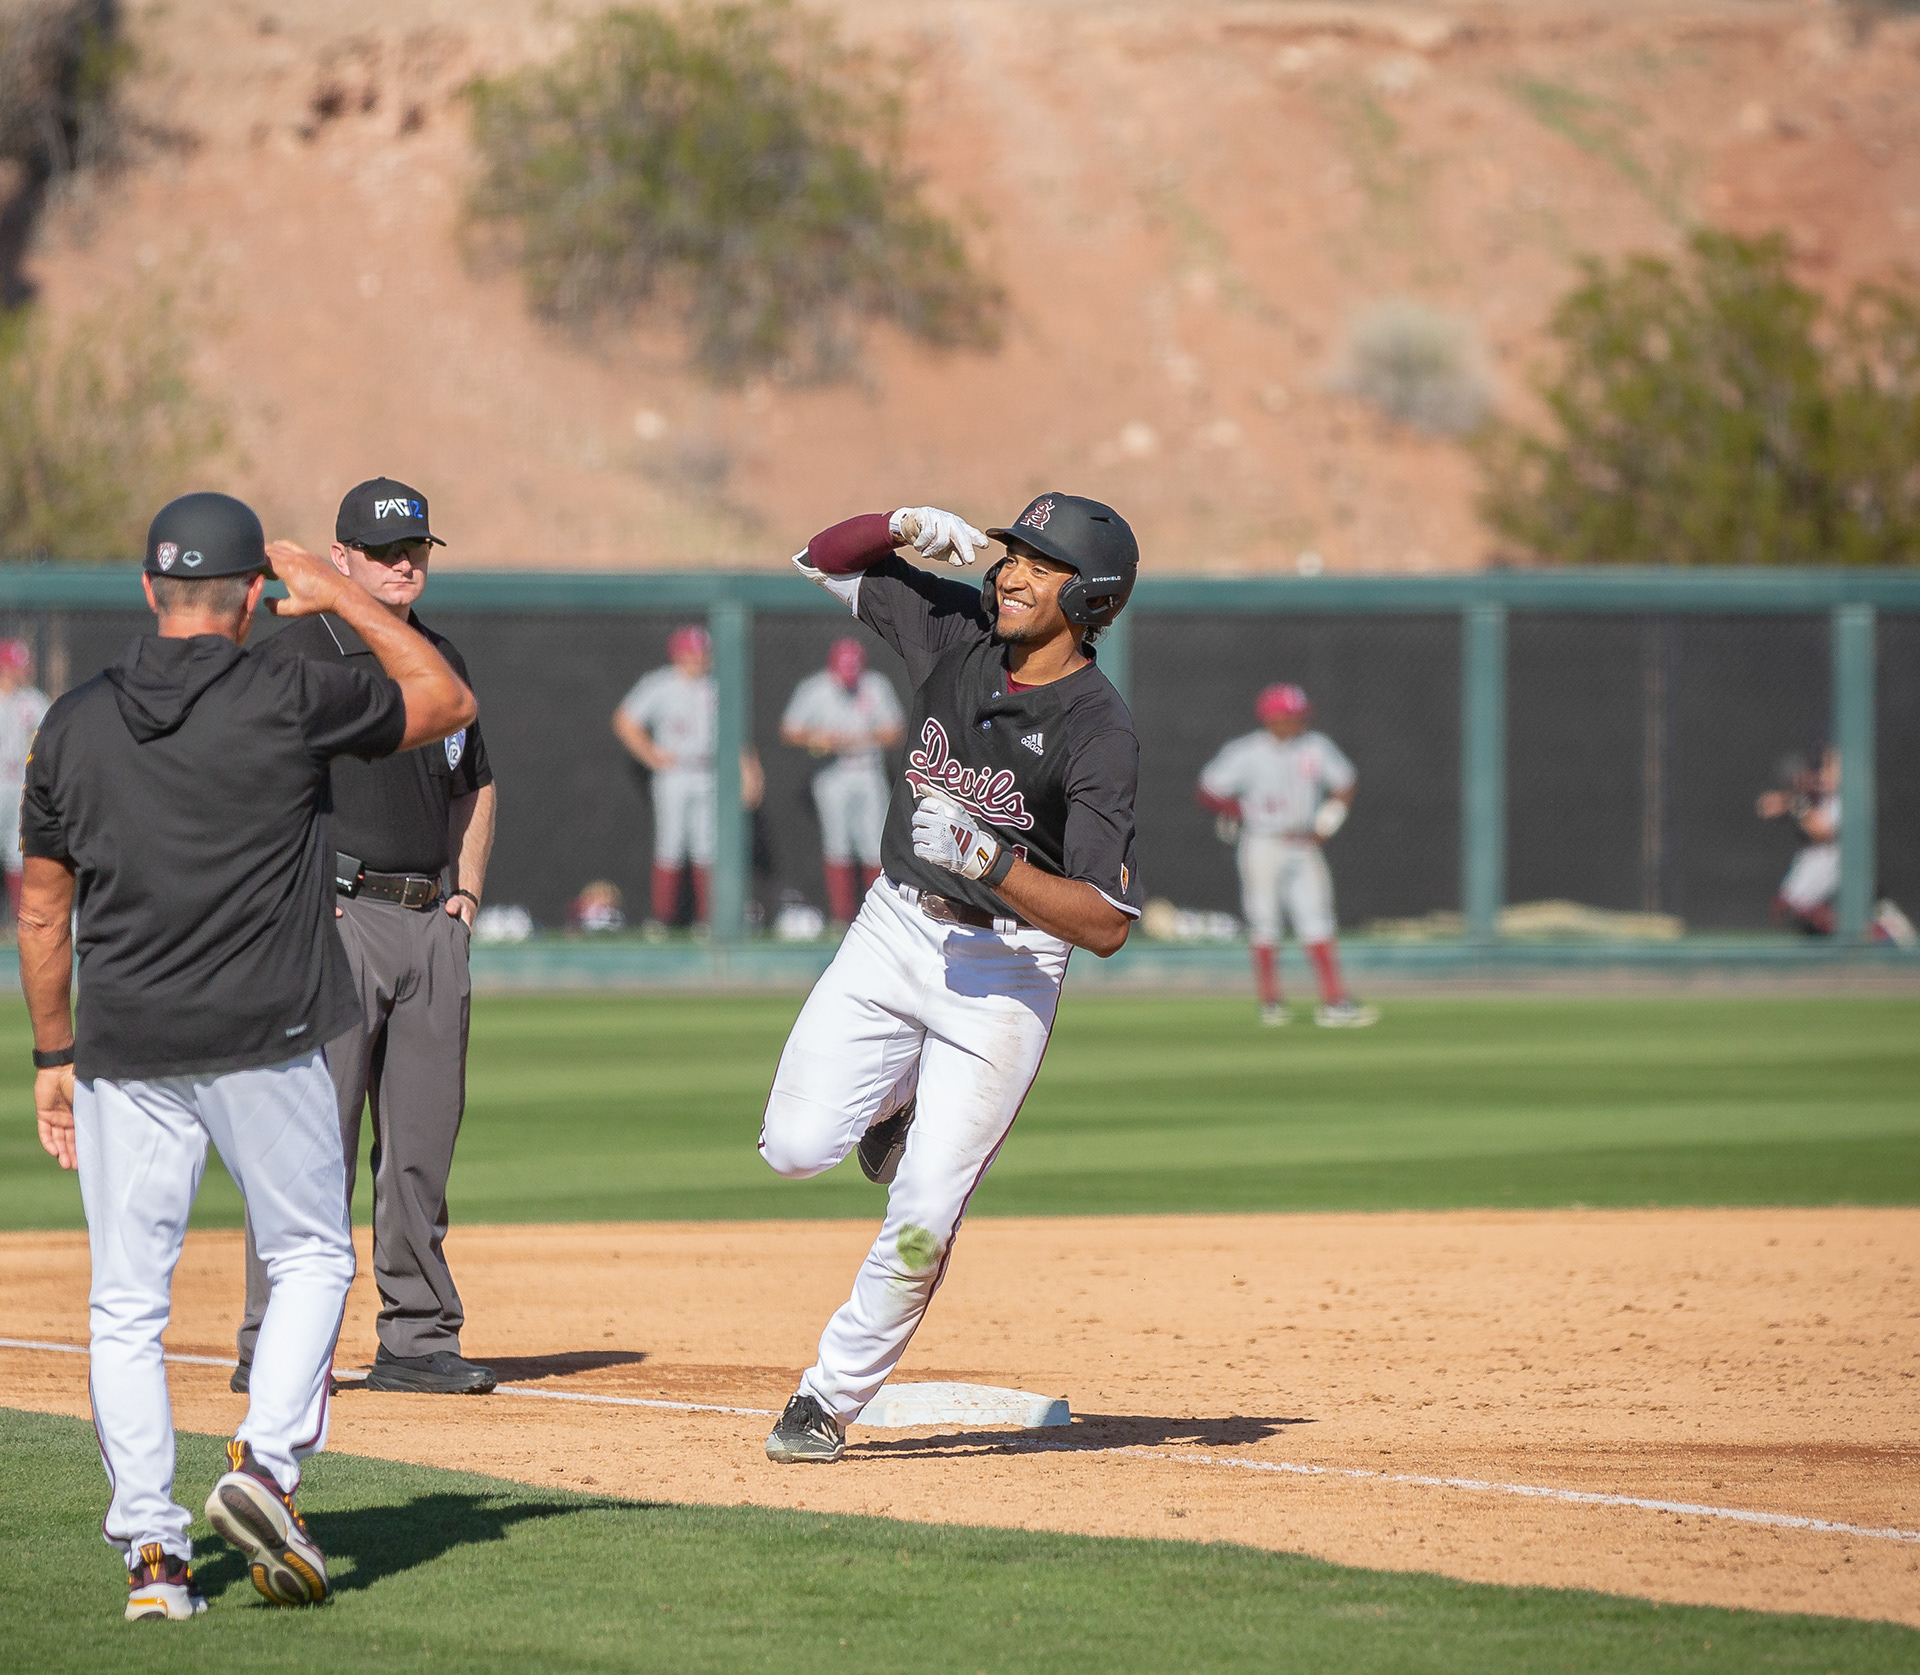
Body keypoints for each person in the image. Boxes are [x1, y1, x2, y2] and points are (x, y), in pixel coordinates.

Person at [21, 492, 474, 1619]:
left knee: (127, 1306)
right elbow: (447, 699)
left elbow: (39, 910)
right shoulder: (288, 687)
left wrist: (49, 1053)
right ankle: (265, 1468)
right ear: (255, 594)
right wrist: (340, 601)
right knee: (316, 1256)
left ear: (145, 591)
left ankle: (153, 1561)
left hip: (124, 1046)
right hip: (265, 1034)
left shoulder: (72, 722)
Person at [758, 495, 1143, 1465]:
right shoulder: (954, 630)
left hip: (1007, 964)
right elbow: (819, 556)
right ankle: (895, 1105)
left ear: (1090, 597)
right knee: (794, 1148)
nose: (1010, 571)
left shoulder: (1100, 730)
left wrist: (994, 860)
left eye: (1039, 564)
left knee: (926, 1212)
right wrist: (895, 524)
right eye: (1012, 551)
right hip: (894, 929)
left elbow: (1105, 923)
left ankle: (825, 1395)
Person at [232, 477, 500, 1398]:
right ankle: (274, 1341)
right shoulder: (299, 652)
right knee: (310, 1142)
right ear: (338, 557)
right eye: (384, 549)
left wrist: (464, 897)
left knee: (420, 1151)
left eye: (416, 548)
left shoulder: (439, 654)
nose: (403, 562)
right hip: (334, 916)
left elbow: (475, 782)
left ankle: (418, 1339)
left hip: (430, 921)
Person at [1197, 684, 1378, 1028]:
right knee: (1264, 921)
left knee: (1319, 918)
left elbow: (1345, 782)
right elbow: (1209, 788)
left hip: (1303, 841)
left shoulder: (1316, 746)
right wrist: (1237, 810)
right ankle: (1270, 1003)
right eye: (1287, 716)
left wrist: (1328, 821)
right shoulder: (1247, 751)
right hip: (1263, 840)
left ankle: (1334, 1001)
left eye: (1298, 715)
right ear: (1270, 718)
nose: (1295, 721)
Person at [612, 624, 763, 932]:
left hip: (710, 771)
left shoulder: (716, 685)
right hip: (676, 772)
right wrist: (651, 753)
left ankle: (707, 920)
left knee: (706, 846)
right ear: (677, 655)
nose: (697, 658)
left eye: (701, 652)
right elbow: (625, 720)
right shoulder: (660, 684)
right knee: (671, 844)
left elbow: (736, 735)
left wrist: (749, 771)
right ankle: (663, 919)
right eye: (691, 653)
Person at [780, 636, 904, 924]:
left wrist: (861, 738)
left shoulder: (875, 684)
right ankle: (841, 918)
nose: (848, 677)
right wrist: (818, 738)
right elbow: (789, 730)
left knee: (874, 845)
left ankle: (878, 915)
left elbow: (896, 731)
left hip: (866, 768)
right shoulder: (815, 688)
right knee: (838, 844)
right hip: (832, 772)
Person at [1757, 743, 1915, 945]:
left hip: (1842, 874)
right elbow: (1792, 803)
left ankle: (1884, 936)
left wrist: (1794, 803)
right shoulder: (1826, 797)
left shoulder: (1852, 798)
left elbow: (1824, 831)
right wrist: (1787, 800)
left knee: (1798, 909)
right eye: (1824, 767)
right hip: (1834, 883)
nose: (1823, 773)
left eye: (1830, 767)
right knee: (1795, 912)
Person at [0, 637, 51, 929]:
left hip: (20, 787)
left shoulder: (33, 700)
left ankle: (21, 924)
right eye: (15, 665)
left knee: (17, 855)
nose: (21, 670)